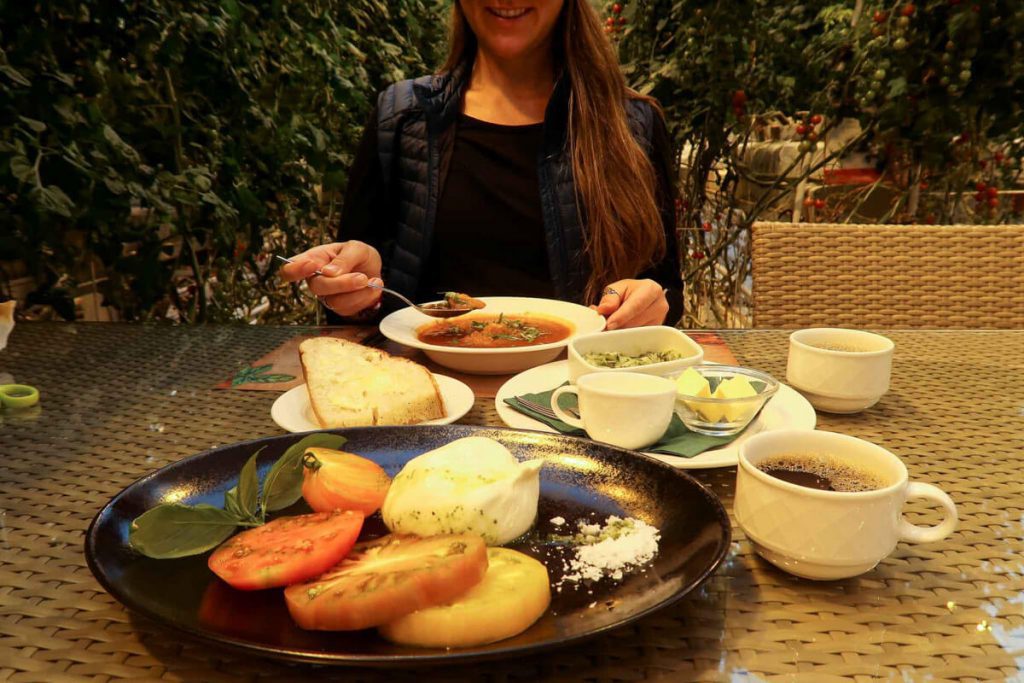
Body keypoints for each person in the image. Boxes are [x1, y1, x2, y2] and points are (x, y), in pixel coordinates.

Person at [281, 0, 682, 330]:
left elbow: (666, 295)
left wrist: (648, 302)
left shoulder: (633, 124)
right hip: (429, 403)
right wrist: (356, 294)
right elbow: (348, 306)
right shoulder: (401, 119)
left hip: (577, 403)